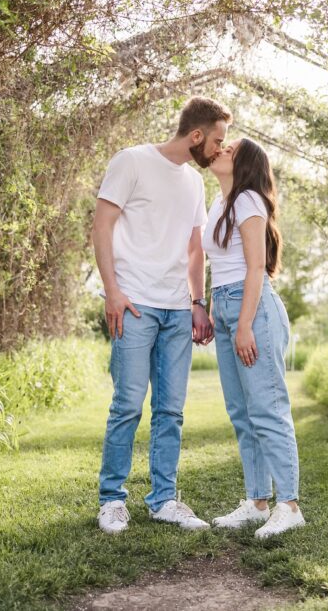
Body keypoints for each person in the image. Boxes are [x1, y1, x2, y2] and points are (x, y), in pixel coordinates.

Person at [91, 97, 228, 535]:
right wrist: (112, 291)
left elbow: (194, 249)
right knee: (127, 405)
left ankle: (164, 499)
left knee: (170, 411)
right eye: (217, 141)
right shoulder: (131, 161)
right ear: (196, 136)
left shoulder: (194, 183)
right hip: (133, 304)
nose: (219, 150)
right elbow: (102, 226)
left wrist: (197, 302)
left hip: (175, 309)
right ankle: (112, 501)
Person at [204, 137, 305, 539]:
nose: (221, 150)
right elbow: (221, 265)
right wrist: (215, 309)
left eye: (230, 149)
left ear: (244, 164)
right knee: (242, 413)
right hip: (227, 308)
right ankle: (257, 501)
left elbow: (255, 268)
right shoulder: (219, 204)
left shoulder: (248, 201)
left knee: (268, 409)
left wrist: (243, 323)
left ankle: (290, 505)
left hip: (254, 310)